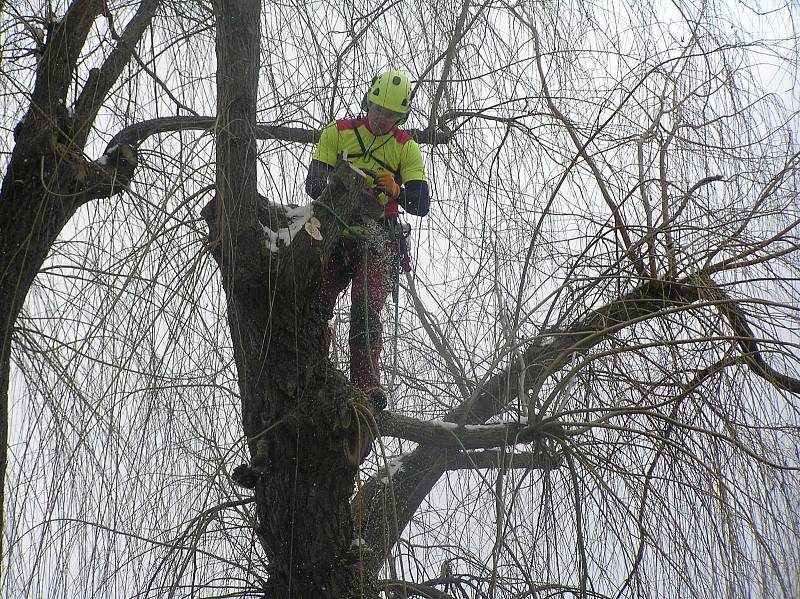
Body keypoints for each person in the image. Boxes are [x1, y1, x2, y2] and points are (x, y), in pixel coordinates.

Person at [305, 70, 430, 410]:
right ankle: (312, 370)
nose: (380, 118)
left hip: (378, 240)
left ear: (399, 117)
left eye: (389, 114)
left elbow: (420, 203)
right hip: (335, 234)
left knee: (365, 309)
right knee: (313, 304)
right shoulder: (339, 133)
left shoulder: (406, 148)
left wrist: (397, 190)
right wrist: (347, 186)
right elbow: (314, 184)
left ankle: (366, 383)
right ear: (368, 103)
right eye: (377, 110)